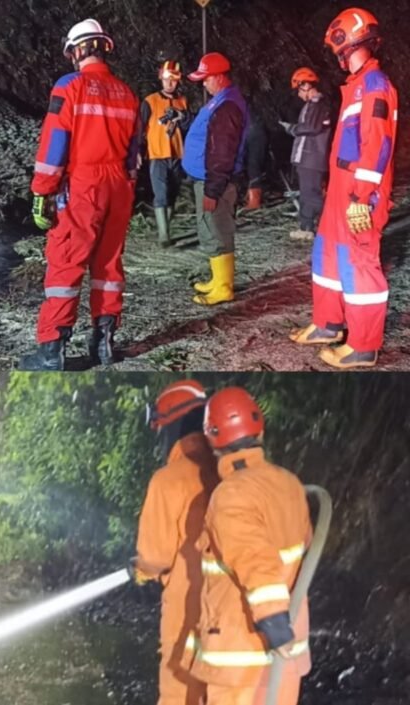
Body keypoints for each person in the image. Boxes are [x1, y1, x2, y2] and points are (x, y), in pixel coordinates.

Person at [19, 19, 140, 370]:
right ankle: (103, 345)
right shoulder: (127, 92)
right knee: (109, 264)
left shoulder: (69, 86)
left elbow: (54, 142)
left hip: (83, 185)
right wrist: (125, 187)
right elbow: (135, 153)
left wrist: (42, 191)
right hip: (119, 186)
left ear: (77, 51)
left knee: (67, 261)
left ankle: (52, 352)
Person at [183, 387, 312, 705]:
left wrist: (274, 623)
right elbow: (305, 545)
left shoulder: (229, 494)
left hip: (240, 656)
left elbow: (253, 559)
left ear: (211, 439)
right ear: (260, 430)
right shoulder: (289, 483)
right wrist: (281, 629)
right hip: (286, 651)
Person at [290, 7, 397, 369]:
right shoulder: (357, 85)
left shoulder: (374, 86)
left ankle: (364, 346)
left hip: (359, 195)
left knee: (358, 263)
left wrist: (361, 197)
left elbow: (377, 145)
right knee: (327, 255)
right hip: (342, 192)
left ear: (344, 41)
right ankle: (328, 324)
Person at [130, 380, 217, 705]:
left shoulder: (168, 480)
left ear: (170, 427)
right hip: (232, 618)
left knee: (180, 692)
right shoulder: (229, 472)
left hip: (187, 610)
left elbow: (156, 557)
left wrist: (141, 570)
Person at [182, 53, 248, 306]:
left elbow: (222, 152)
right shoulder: (221, 101)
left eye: (206, 78)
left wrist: (212, 189)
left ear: (219, 77)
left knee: (217, 229)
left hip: (214, 182)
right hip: (209, 179)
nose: (203, 83)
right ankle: (218, 279)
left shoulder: (227, 106)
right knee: (211, 229)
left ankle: (223, 287)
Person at [279, 68, 332, 241]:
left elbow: (311, 128)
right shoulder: (312, 105)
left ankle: (315, 226)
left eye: (299, 90)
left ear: (307, 85)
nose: (299, 94)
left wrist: (292, 129)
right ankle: (309, 226)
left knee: (311, 195)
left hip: (312, 157)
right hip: (308, 157)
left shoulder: (318, 105)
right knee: (307, 193)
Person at [142, 61, 191, 247]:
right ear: (161, 78)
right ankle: (164, 235)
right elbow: (140, 128)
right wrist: (138, 151)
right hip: (157, 154)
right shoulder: (150, 101)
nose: (170, 83)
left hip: (177, 153)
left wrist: (182, 116)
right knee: (160, 193)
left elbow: (187, 127)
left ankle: (167, 230)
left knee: (173, 194)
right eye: (167, 79)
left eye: (174, 80)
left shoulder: (182, 101)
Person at [240, 112, 268, 212]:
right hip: (254, 130)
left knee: (253, 166)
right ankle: (252, 197)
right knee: (253, 165)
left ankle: (254, 200)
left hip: (252, 133)